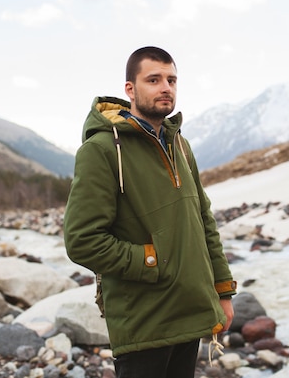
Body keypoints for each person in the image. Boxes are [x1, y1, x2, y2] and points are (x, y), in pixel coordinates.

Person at [63, 46, 236, 378]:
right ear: (130, 89)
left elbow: (204, 221)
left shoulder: (180, 146)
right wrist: (153, 260)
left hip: (189, 311)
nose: (165, 87)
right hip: (143, 320)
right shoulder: (100, 150)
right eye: (153, 79)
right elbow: (82, 240)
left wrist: (223, 290)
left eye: (171, 79)